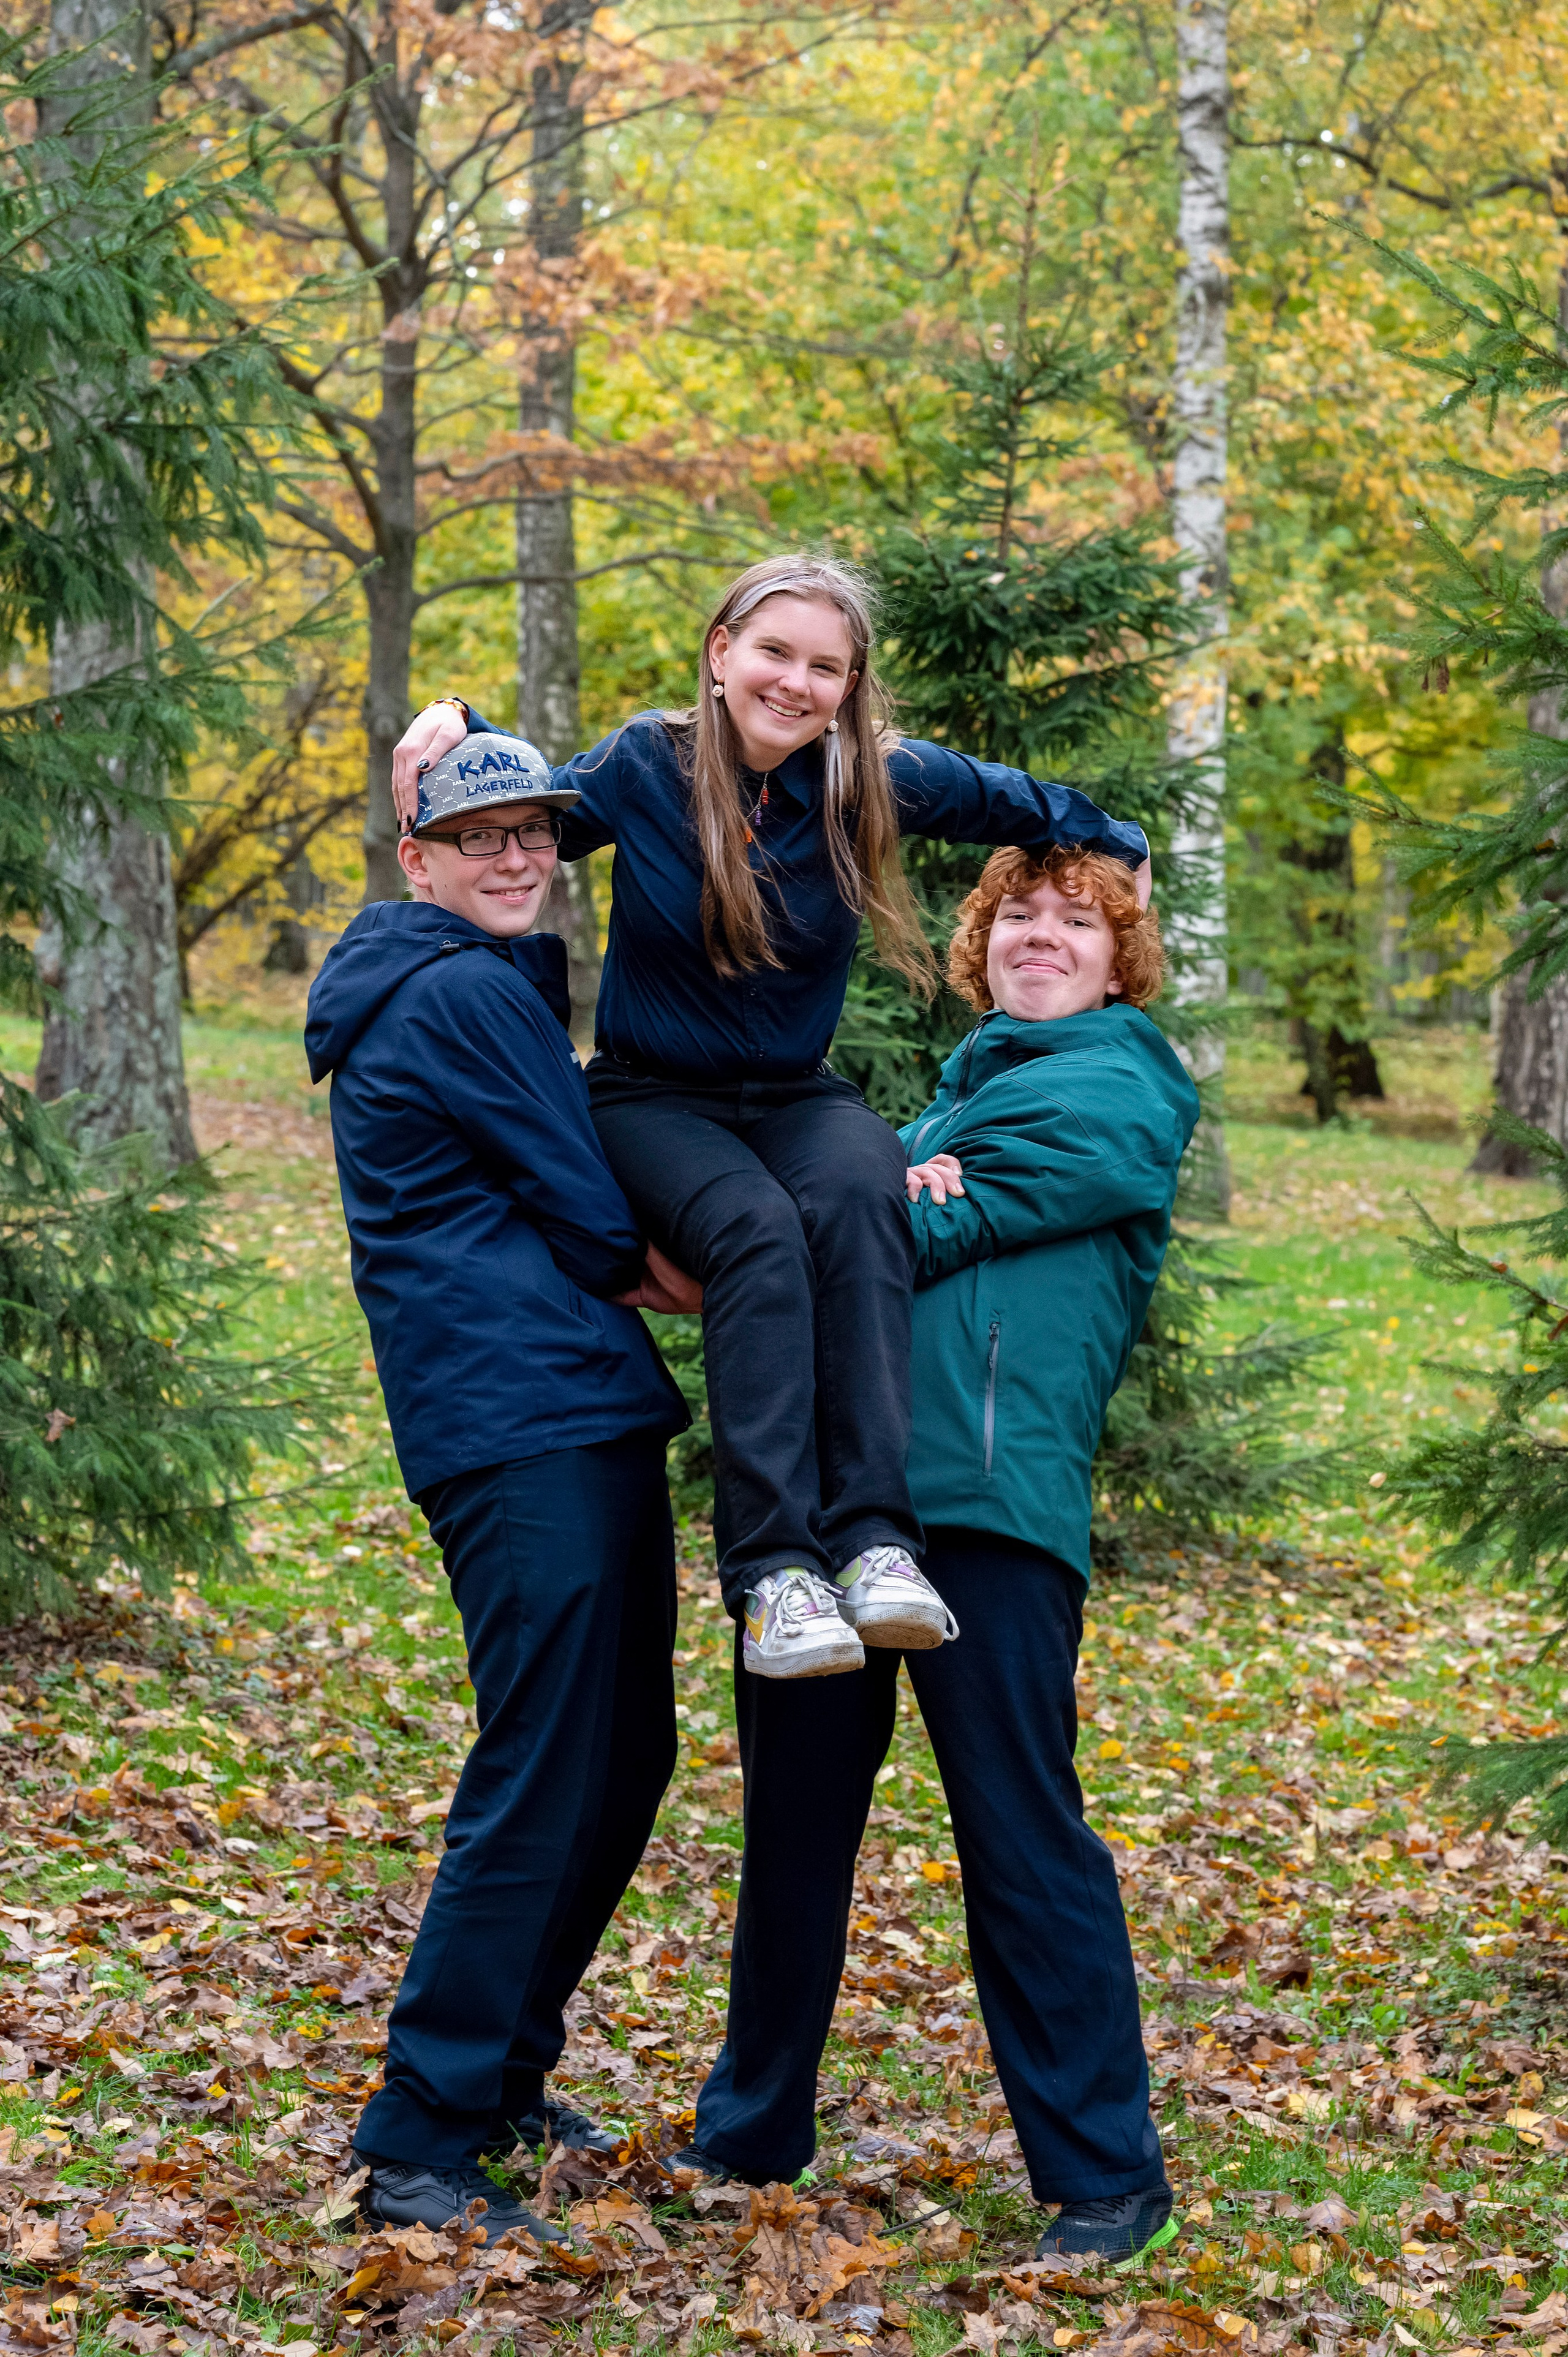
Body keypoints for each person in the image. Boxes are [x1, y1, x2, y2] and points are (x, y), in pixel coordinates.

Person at [389, 555, 1152, 1683]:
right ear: (720, 655)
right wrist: (456, 715)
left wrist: (1119, 849)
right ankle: (776, 1574)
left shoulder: (875, 782)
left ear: (851, 684)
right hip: (654, 1096)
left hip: (798, 1096)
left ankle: (878, 1543)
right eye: (774, 653)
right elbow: (520, 806)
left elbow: (1019, 800)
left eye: (825, 666)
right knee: (755, 1225)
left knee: (861, 1195)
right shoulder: (648, 768)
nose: (795, 683)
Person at [682, 843, 1198, 2260]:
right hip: (844, 1520)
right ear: (977, 947)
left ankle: (1103, 2177)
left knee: (1020, 1837)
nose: (1039, 938)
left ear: (1117, 959)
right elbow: (838, 1221)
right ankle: (750, 2127)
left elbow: (896, 1230)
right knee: (792, 1829)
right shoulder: (949, 1097)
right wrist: (886, 1174)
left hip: (984, 1512)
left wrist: (882, 1187)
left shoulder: (1119, 1083)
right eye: (1014, 917)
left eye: (1073, 923)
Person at [304, 731, 693, 2241]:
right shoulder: (459, 990)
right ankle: (419, 2133)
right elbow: (592, 1208)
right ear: (417, 861)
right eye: (481, 838)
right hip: (517, 1420)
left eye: (536, 834)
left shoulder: (470, 976)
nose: (519, 856)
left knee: (623, 1751)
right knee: (547, 1764)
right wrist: (750, 1267)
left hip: (567, 1408)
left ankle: (502, 2073)